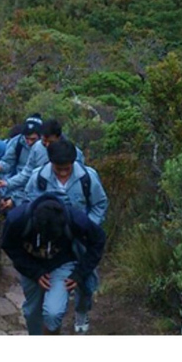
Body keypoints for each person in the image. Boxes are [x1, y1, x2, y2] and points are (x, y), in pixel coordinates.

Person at [18, 139, 109, 334]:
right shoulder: (38, 178)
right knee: (39, 305)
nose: (62, 173)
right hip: (46, 243)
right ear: (50, 162)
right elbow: (28, 204)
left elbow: (100, 203)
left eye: (66, 169)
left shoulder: (87, 178)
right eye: (58, 169)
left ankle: (82, 310)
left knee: (86, 281)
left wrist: (87, 227)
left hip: (79, 240)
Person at [1, 195, 105, 335]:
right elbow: (8, 245)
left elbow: (98, 240)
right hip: (31, 265)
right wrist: (34, 272)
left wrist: (80, 273)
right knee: (32, 313)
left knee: (53, 313)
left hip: (62, 264)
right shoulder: (17, 220)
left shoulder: (76, 220)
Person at [0, 119, 84, 210]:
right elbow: (27, 173)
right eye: (44, 141)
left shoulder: (73, 153)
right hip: (41, 200)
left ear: (59, 137)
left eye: (51, 142)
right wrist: (8, 183)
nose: (47, 145)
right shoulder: (37, 148)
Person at [0, 114, 43, 210]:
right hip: (15, 179)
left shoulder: (43, 148)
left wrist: (8, 184)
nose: (29, 142)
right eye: (27, 138)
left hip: (32, 184)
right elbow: (8, 161)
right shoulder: (17, 142)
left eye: (33, 139)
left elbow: (29, 174)